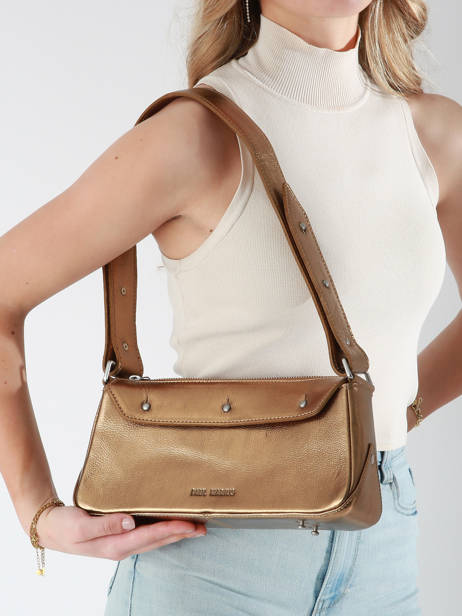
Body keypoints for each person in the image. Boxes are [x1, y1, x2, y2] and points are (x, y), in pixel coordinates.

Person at [0, 0, 461, 614]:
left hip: (383, 547)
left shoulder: (436, 135)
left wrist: (384, 416)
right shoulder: (193, 135)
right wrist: (37, 511)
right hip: (212, 559)